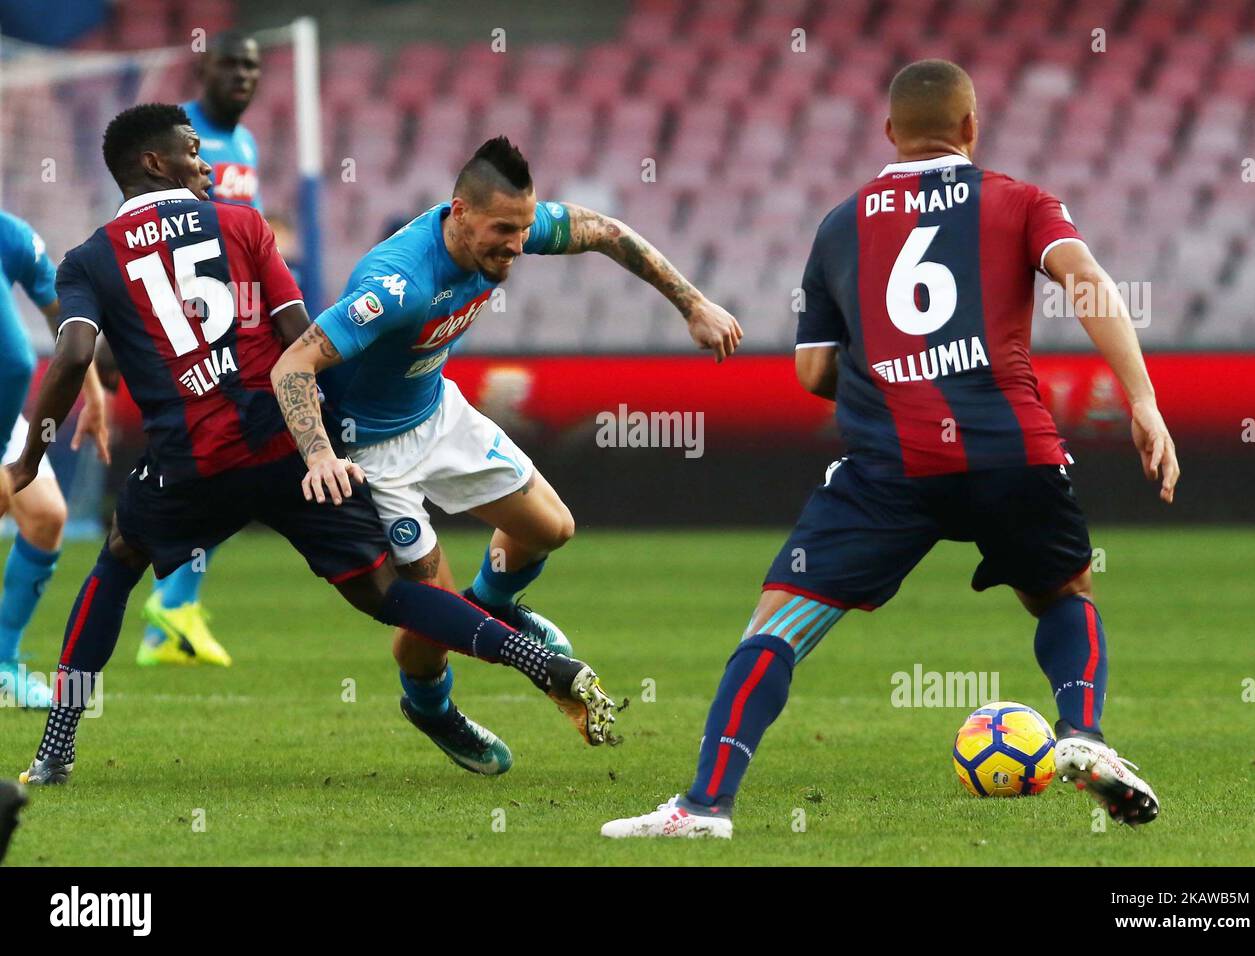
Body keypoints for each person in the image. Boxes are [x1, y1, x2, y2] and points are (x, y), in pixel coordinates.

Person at [602, 59, 1178, 839]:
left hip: (891, 467)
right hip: (1013, 450)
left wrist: (891, 372)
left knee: (773, 630)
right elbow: (1084, 277)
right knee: (1062, 593)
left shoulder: (841, 224)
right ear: (971, 128)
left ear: (888, 135)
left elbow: (812, 372)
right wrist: (1141, 400)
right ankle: (1082, 733)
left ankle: (705, 805)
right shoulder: (1020, 201)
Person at [6, 103, 617, 786]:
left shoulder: (88, 260)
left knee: (118, 563)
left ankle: (56, 751)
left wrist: (30, 456)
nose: (208, 164)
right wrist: (326, 448)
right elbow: (302, 335)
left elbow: (72, 357)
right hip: (288, 447)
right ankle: (543, 664)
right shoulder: (243, 225)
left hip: (191, 459)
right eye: (192, 151)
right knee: (388, 593)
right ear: (154, 163)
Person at [272, 135, 742, 775]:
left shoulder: (509, 226)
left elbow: (605, 230)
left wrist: (693, 303)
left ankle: (491, 603)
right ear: (459, 212)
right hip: (372, 454)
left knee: (552, 528)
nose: (518, 247)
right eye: (503, 231)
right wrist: (321, 454)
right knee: (431, 624)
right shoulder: (395, 284)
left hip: (437, 412)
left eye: (524, 230)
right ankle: (431, 708)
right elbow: (293, 363)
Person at [136, 30, 265, 667]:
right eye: (231, 64)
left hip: (235, 324)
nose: (243, 75)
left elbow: (249, 229)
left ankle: (163, 632)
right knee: (221, 464)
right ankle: (174, 602)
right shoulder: (178, 142)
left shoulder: (245, 145)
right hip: (190, 324)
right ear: (204, 68)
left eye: (252, 66)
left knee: (212, 462)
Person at [0, 210, 110, 708]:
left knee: (46, 517)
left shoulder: (12, 236)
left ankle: (2, 663)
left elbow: (64, 321)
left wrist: (94, 397)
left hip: (2, 417)